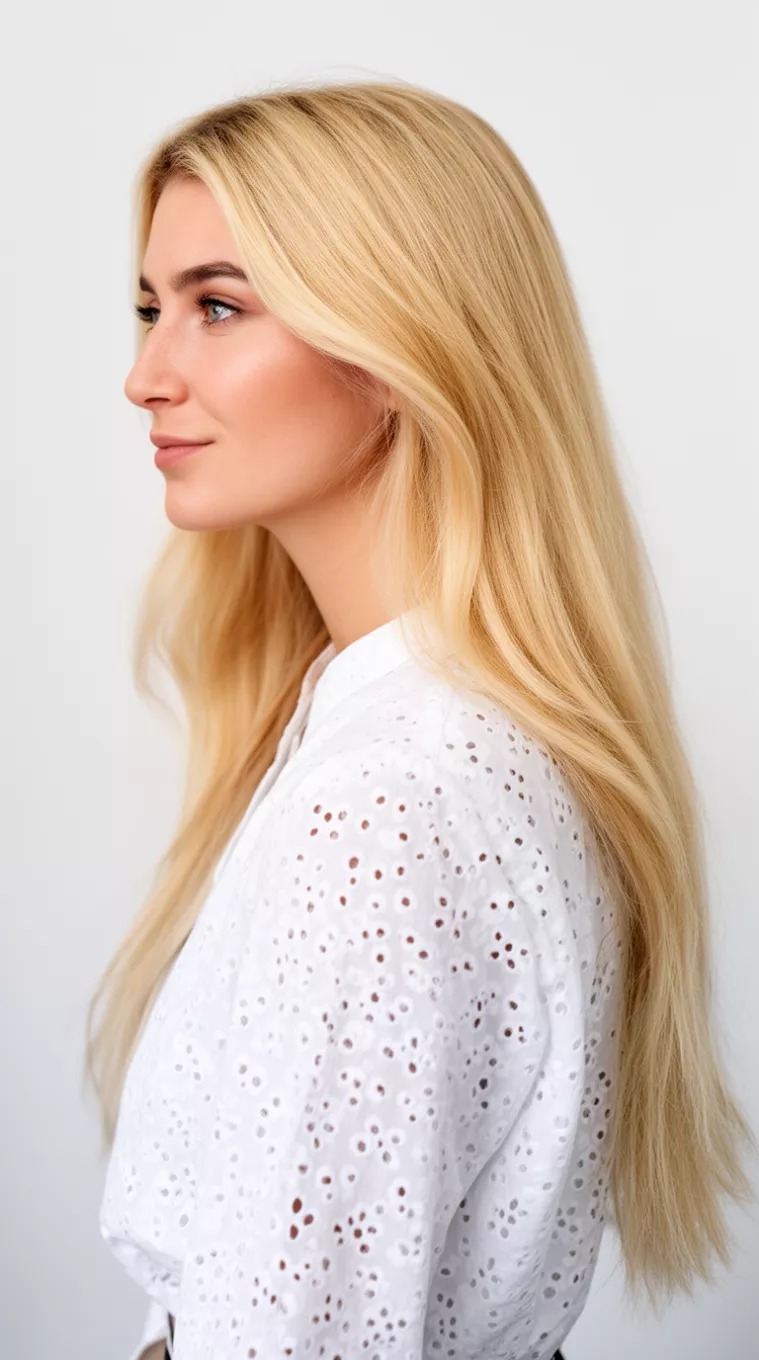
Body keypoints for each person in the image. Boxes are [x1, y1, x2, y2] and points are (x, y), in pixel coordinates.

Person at [84, 78, 754, 1360]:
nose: (143, 374)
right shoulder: (442, 744)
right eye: (150, 308)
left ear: (401, 351)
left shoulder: (385, 810)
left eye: (216, 307)